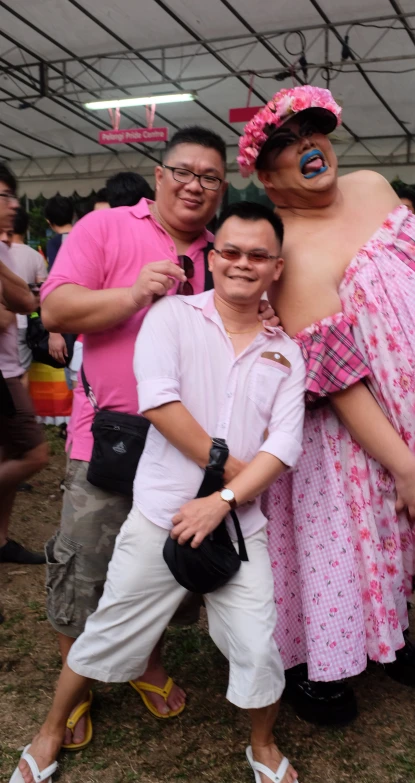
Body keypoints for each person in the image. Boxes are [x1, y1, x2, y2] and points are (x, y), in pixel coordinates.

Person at [238, 85, 415, 723]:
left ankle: (391, 636)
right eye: (286, 143)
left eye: (315, 129)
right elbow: (339, 382)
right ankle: (318, 667)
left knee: (402, 537)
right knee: (349, 537)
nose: (309, 145)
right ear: (264, 173)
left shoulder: (371, 186)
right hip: (352, 439)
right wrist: (405, 464)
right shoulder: (295, 253)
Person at [10, 201, 303, 783]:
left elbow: (284, 446)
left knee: (260, 641)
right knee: (111, 623)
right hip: (158, 513)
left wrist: (220, 500)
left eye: (258, 256)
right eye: (231, 252)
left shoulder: (286, 350)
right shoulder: (172, 317)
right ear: (213, 259)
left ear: (276, 267)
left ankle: (263, 745)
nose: (243, 264)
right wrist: (224, 478)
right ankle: (48, 732)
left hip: (238, 525)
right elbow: (159, 401)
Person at [39, 126, 277, 750]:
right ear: (159, 175)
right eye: (184, 171)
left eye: (210, 177)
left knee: (167, 564)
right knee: (86, 565)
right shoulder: (107, 228)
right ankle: (79, 686)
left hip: (189, 446)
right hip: (110, 436)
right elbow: (56, 311)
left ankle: (145, 662)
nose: (195, 185)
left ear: (221, 187)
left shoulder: (222, 251)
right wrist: (133, 295)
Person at [0, 164, 48, 566]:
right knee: (35, 455)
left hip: (9, 367)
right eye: (4, 197)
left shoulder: (3, 250)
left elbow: (25, 304)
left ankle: (0, 542)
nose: (13, 205)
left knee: (9, 457)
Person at [10, 206, 48, 387]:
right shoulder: (36, 257)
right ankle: (20, 412)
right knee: (21, 371)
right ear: (26, 228)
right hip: (22, 322)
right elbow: (42, 293)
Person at [44, 196, 74, 271]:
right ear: (73, 216)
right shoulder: (86, 237)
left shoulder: (53, 243)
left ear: (49, 221)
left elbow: (54, 272)